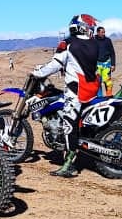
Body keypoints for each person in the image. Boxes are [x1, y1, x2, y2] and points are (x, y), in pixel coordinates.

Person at [31, 13, 100, 178]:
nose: (92, 29)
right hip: (92, 89)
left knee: (69, 124)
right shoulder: (95, 44)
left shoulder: (68, 43)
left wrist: (38, 72)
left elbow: (55, 64)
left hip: (76, 90)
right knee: (76, 121)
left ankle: (69, 165)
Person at [95, 26, 116, 96]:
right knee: (97, 82)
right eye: (102, 32)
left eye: (104, 32)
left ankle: (109, 97)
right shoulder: (93, 40)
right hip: (97, 65)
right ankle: (99, 98)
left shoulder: (108, 40)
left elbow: (112, 53)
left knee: (108, 83)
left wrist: (113, 64)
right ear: (97, 32)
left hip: (106, 64)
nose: (103, 34)